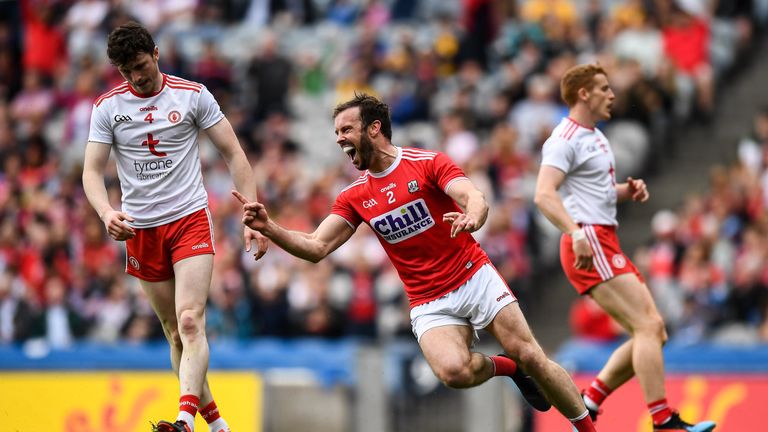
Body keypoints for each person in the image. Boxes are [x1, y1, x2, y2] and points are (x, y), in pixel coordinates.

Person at [233, 93, 599, 432]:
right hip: (428, 299)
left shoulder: (427, 164)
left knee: (532, 354)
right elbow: (315, 246)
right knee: (454, 371)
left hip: (472, 276)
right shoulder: (354, 195)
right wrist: (271, 227)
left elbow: (474, 196)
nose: (339, 138)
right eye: (336, 132)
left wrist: (473, 216)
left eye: (346, 129)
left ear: (373, 128)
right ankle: (508, 368)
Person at [82, 22, 267, 432]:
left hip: (188, 219)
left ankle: (183, 421)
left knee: (189, 319)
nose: (136, 77)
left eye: (141, 65)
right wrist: (105, 212)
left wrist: (252, 212)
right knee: (174, 334)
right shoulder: (108, 107)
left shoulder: (192, 95)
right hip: (140, 229)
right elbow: (91, 173)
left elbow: (234, 153)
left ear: (157, 53)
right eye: (126, 71)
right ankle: (218, 427)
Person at [534, 63, 716, 432]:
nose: (612, 95)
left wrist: (625, 191)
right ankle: (663, 419)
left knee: (653, 331)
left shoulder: (597, 137)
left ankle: (591, 399)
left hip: (603, 239)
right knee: (649, 326)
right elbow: (543, 194)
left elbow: (594, 190)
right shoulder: (564, 138)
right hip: (588, 241)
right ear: (583, 93)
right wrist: (575, 232)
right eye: (603, 88)